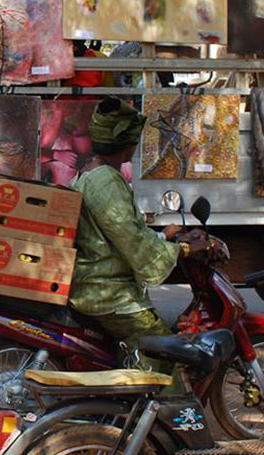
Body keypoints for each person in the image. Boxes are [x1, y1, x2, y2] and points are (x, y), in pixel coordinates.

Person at [69, 96, 207, 371]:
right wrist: (182, 249)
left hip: (96, 283)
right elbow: (130, 240)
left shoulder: (90, 174)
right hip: (107, 292)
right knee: (165, 352)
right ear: (128, 145)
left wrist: (164, 237)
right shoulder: (106, 182)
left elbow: (118, 234)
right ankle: (162, 410)